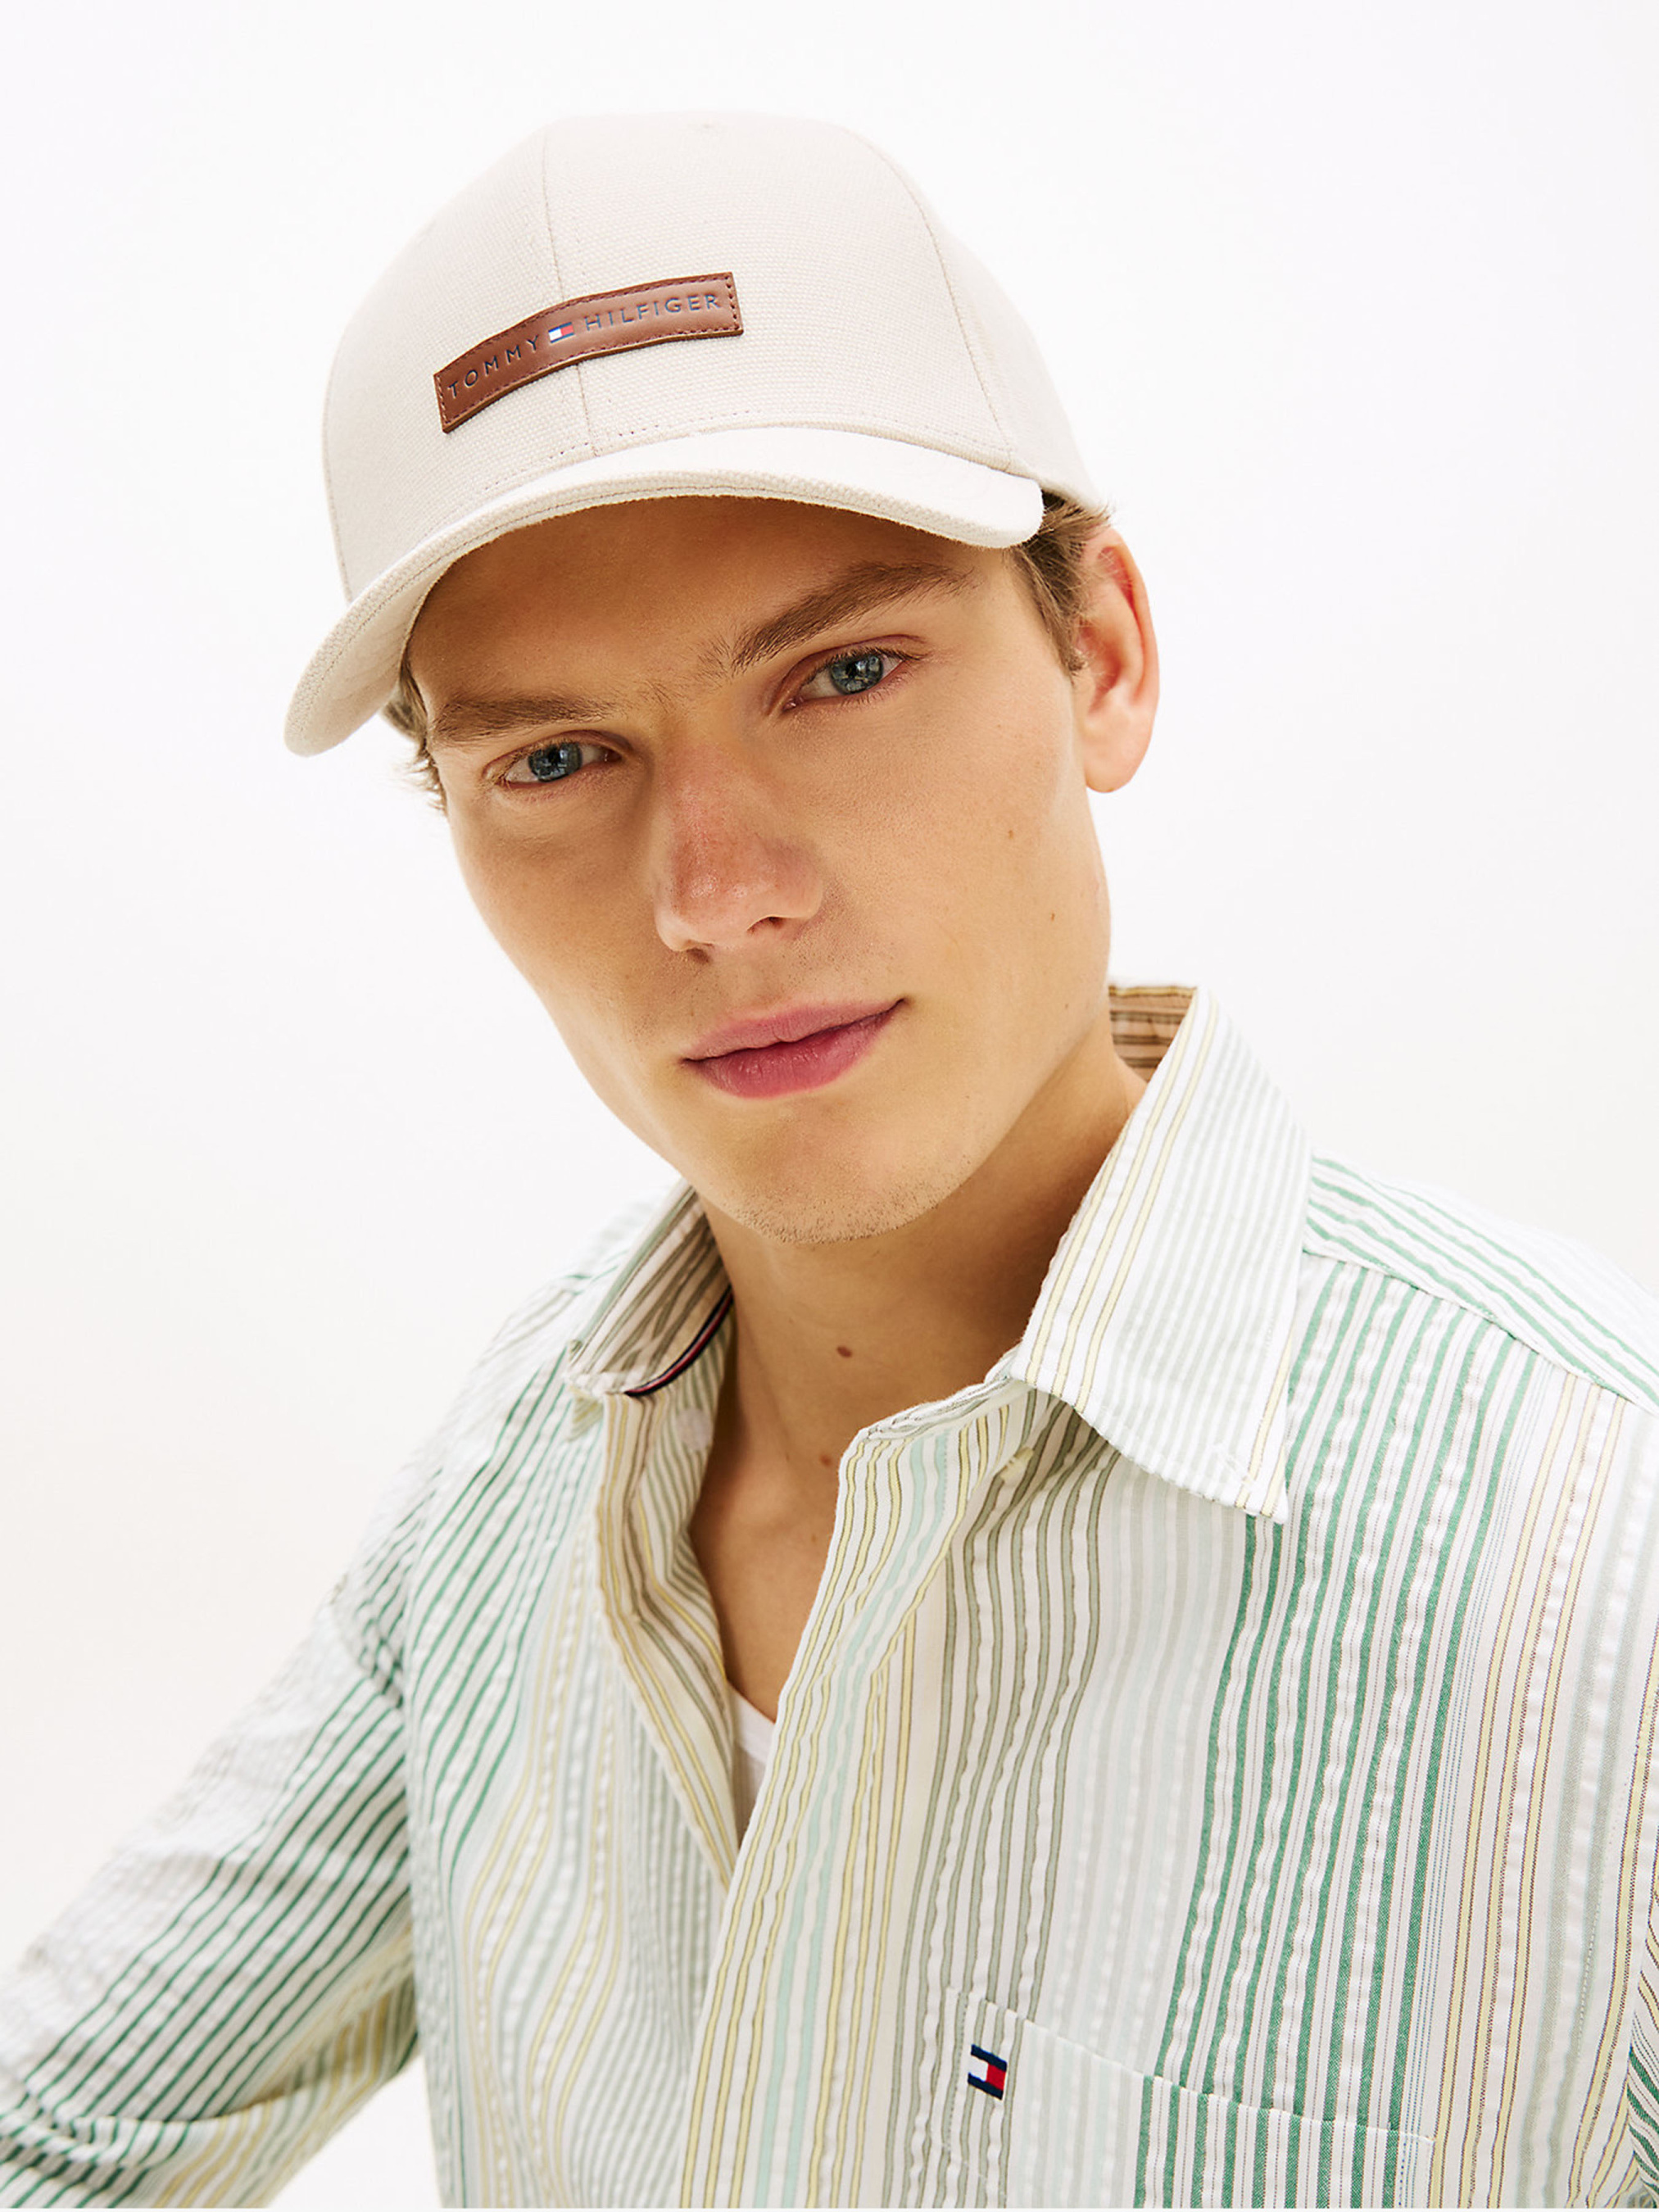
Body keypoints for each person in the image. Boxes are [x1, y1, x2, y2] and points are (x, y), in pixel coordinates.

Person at [2, 108, 1657, 2212]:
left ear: (1101, 656)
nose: (714, 894)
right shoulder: (518, 1488)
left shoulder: (1600, 1561)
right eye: (556, 758)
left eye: (842, 673)